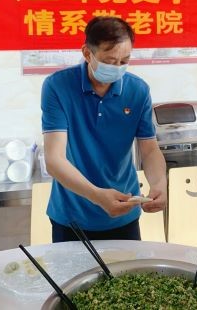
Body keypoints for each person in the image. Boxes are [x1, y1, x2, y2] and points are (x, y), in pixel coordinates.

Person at [42, 16, 166, 242]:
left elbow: (149, 149)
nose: (117, 68)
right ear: (87, 53)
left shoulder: (138, 91)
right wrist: (97, 196)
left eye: (124, 61)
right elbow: (54, 159)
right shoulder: (58, 86)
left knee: (127, 265)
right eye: (109, 61)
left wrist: (159, 184)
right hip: (72, 216)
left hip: (124, 212)